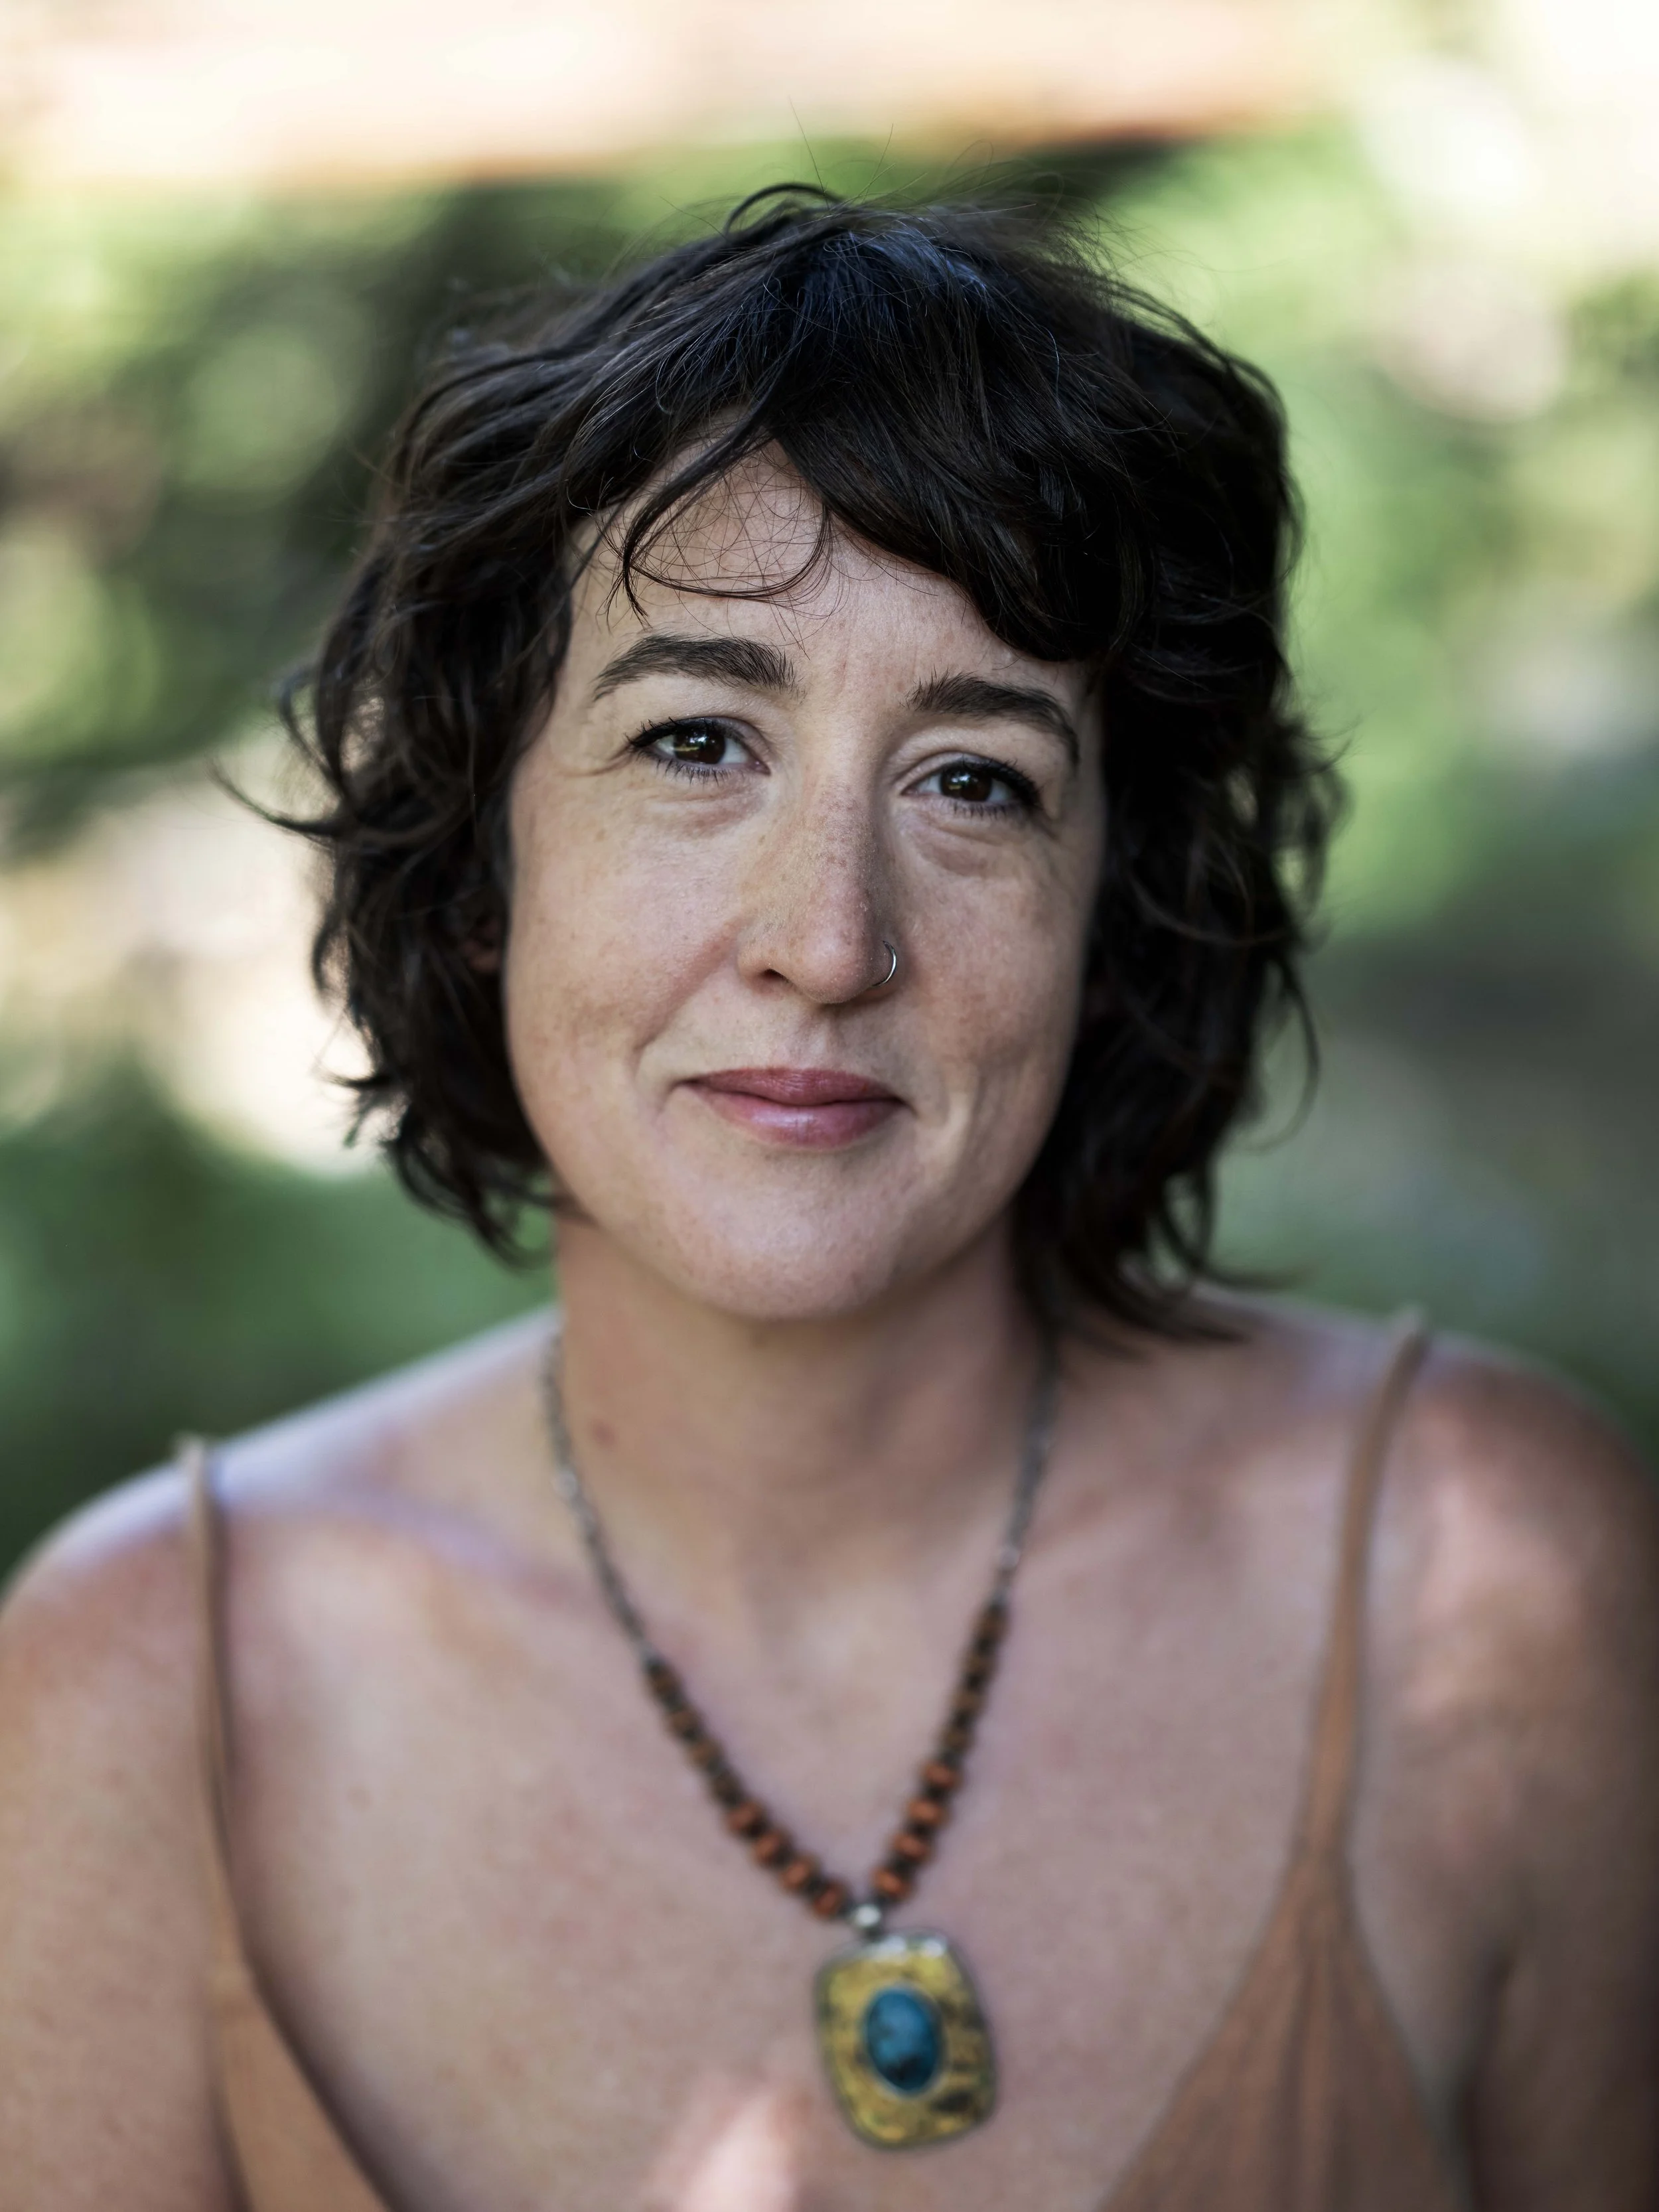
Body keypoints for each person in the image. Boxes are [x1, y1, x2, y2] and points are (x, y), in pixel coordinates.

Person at [1, 187, 1656, 2212]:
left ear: (1111, 902)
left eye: (974, 779)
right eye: (697, 739)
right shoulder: (144, 1695)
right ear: (482, 851)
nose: (829, 939)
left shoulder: (1482, 1575)